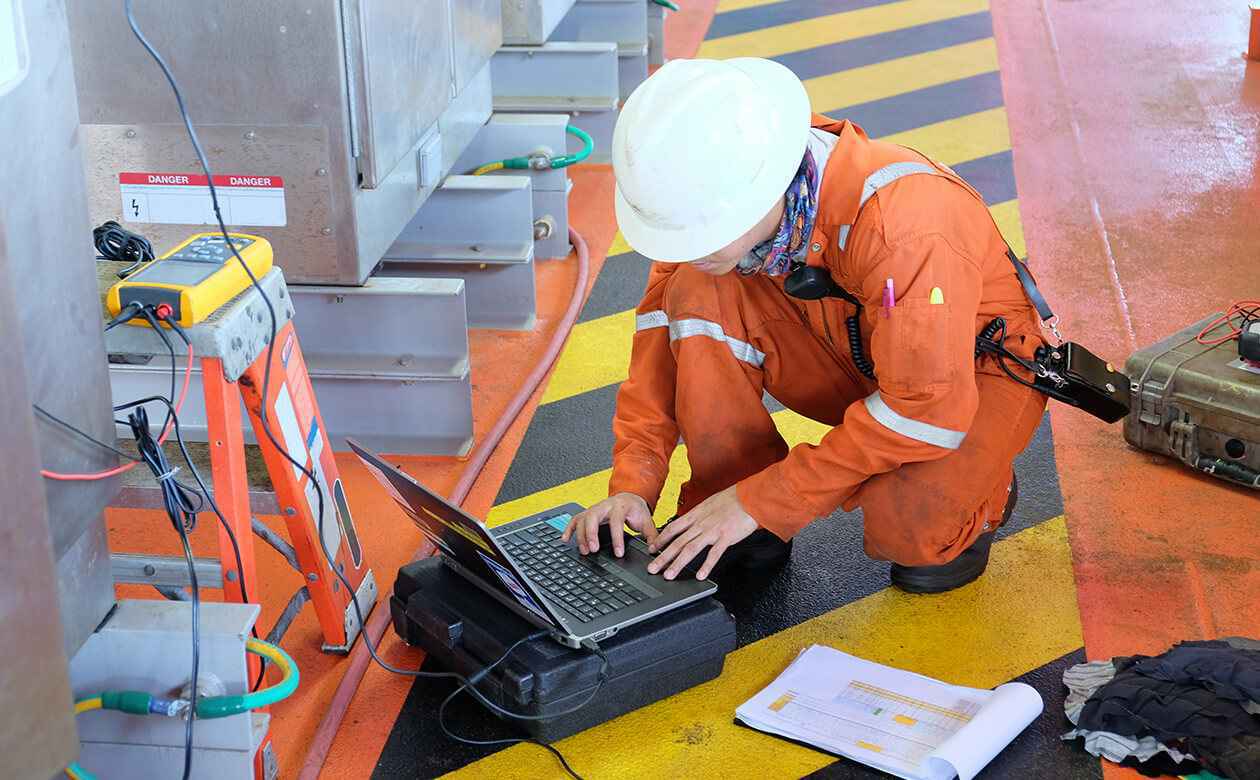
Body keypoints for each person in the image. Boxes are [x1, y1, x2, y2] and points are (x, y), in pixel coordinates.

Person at [562, 57, 1048, 593]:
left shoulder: (906, 226)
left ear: (762, 189)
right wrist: (633, 486)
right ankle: (732, 510)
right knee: (696, 290)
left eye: (698, 234)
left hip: (966, 376)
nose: (686, 249)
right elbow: (658, 364)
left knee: (914, 530)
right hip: (863, 351)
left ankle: (985, 495)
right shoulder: (706, 213)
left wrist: (767, 499)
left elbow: (926, 408)